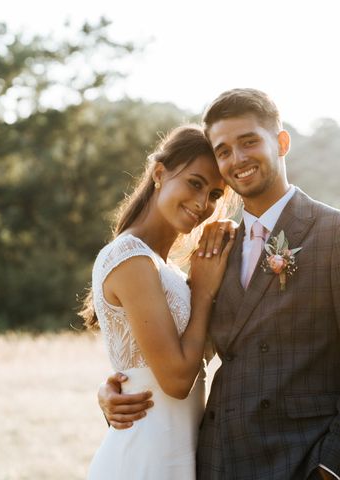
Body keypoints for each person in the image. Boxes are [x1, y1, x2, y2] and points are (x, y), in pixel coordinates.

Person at [98, 88, 340, 480]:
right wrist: (114, 389)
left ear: (282, 142)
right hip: (219, 462)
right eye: (223, 151)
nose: (237, 159)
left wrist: (330, 469)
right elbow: (182, 349)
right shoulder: (218, 249)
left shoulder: (339, 233)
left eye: (249, 142)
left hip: (303, 462)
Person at [80, 124, 237, 479]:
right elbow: (177, 380)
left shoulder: (168, 270)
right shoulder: (130, 257)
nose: (203, 204)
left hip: (180, 453)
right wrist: (204, 292)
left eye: (214, 194)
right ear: (159, 173)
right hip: (145, 459)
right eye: (195, 183)